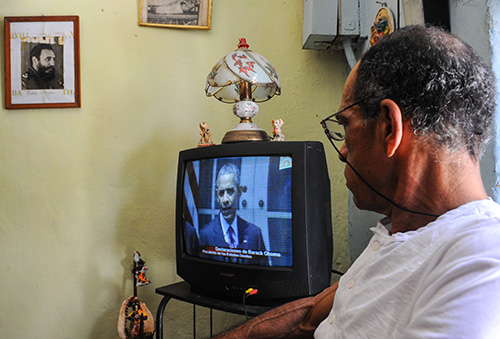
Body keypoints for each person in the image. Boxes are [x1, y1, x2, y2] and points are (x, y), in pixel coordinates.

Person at [212, 25, 500, 338]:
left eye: (345, 126)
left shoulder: (482, 259)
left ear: (390, 127)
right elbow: (311, 316)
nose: (343, 152)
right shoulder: (402, 230)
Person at [199, 163, 268, 265]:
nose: (225, 200)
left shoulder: (255, 233)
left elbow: (264, 274)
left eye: (230, 191)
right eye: (221, 193)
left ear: (239, 192)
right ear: (217, 196)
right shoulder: (206, 234)